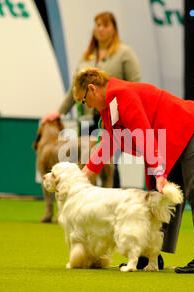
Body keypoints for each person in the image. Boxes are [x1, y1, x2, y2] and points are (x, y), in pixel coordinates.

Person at [73, 68, 194, 274]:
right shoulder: (108, 107)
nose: (88, 107)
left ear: (92, 89)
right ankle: (151, 254)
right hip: (170, 140)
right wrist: (82, 178)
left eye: (84, 101)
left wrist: (159, 173)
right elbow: (107, 144)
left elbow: (144, 135)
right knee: (157, 196)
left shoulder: (122, 95)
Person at [40, 12, 141, 188]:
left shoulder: (124, 53)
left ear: (113, 29)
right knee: (86, 162)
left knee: (109, 163)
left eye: (105, 25)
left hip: (113, 117)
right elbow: (76, 86)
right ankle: (87, 204)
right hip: (86, 118)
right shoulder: (87, 56)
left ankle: (112, 199)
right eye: (97, 25)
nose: (100, 29)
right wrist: (59, 111)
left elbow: (135, 85)